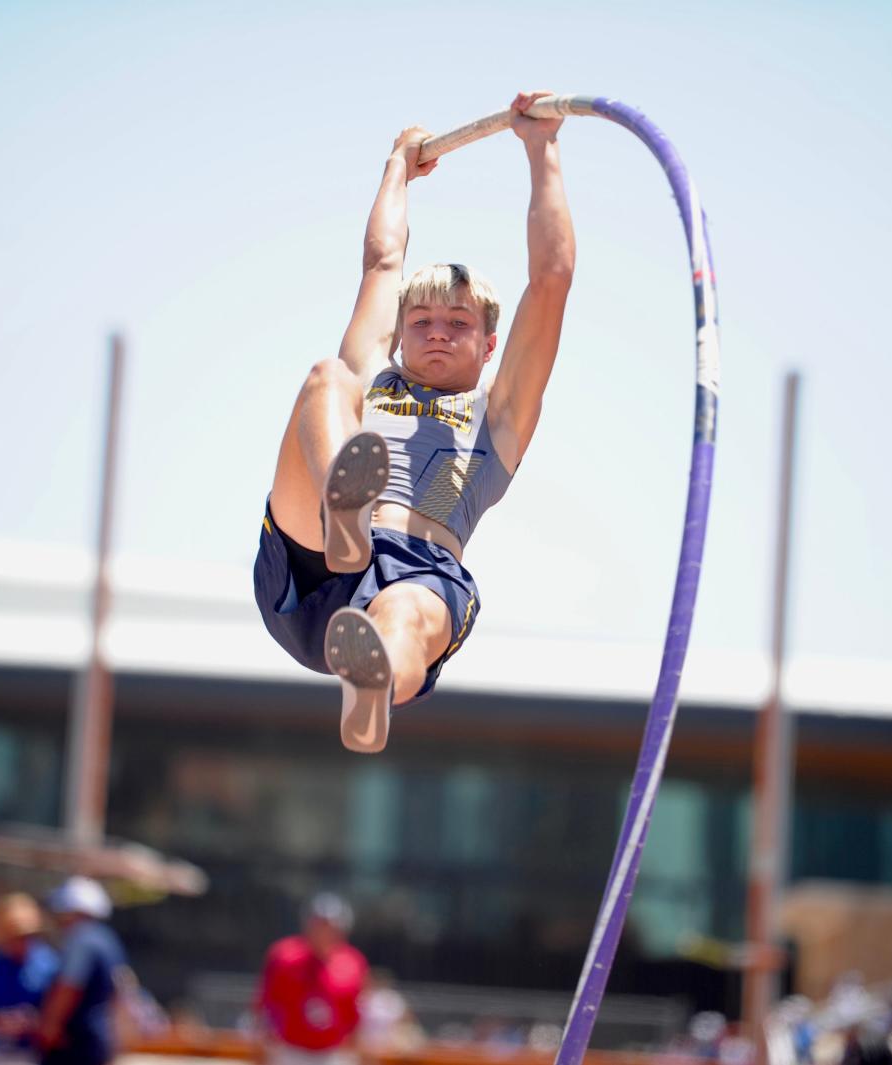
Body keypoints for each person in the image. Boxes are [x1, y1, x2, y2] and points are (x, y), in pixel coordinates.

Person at [254, 90, 575, 753]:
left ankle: (372, 686)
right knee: (327, 378)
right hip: (314, 551)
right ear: (401, 332)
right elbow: (382, 261)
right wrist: (396, 170)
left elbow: (551, 279)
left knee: (402, 615)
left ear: (489, 345)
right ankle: (345, 505)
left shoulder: (501, 414)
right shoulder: (376, 373)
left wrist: (542, 150)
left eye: (457, 324)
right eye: (422, 321)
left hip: (417, 569)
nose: (435, 333)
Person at [254, 893, 368, 1065]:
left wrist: (357, 1049)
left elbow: (356, 1011)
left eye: (329, 926)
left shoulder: (353, 962)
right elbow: (265, 1001)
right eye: (318, 924)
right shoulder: (284, 956)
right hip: (290, 1050)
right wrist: (265, 1040)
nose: (323, 931)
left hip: (332, 1053)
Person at [35, 877, 127, 1065]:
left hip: (76, 1040)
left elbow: (70, 984)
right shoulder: (106, 939)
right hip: (99, 1035)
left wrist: (50, 1026)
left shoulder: (81, 941)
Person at [0, 894, 58, 1064]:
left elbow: (60, 1014)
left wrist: (34, 1022)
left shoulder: (49, 964)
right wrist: (0, 1020)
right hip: (0, 1052)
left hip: (37, 1054)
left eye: (25, 936)